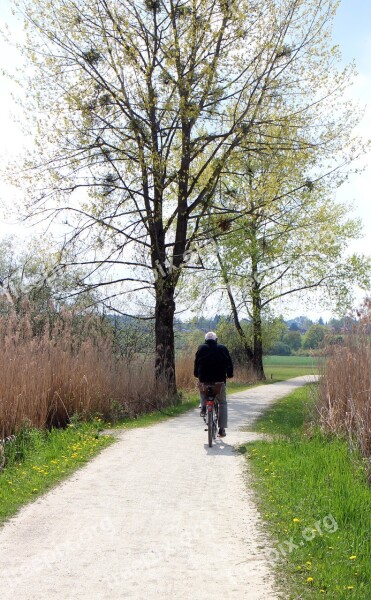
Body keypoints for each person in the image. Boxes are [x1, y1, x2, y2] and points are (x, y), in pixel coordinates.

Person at [194, 331, 233, 437]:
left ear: (205, 340)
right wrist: (230, 374)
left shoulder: (201, 348)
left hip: (204, 381)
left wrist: (196, 374)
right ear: (216, 340)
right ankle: (222, 429)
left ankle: (203, 407)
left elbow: (196, 363)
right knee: (222, 403)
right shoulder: (222, 348)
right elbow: (229, 363)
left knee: (203, 392)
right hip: (219, 382)